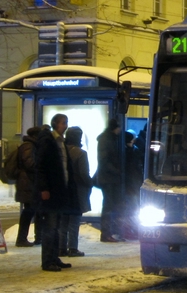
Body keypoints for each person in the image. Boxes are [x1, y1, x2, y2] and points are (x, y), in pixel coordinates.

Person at [34, 114, 77, 272]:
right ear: (55, 124)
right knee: (50, 227)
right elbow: (41, 166)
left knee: (56, 226)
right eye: (63, 123)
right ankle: (48, 260)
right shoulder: (49, 141)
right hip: (51, 191)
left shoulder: (60, 142)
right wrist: (44, 188)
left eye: (66, 122)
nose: (65, 126)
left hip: (59, 190)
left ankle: (54, 257)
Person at [59, 126, 92, 257]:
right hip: (77, 190)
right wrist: (90, 183)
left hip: (63, 190)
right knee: (74, 221)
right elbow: (84, 173)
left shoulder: (61, 150)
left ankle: (61, 248)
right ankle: (72, 248)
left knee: (63, 220)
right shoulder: (80, 153)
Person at [96, 118, 124, 242]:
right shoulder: (107, 140)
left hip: (110, 177)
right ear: (116, 127)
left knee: (111, 205)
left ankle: (109, 232)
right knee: (108, 206)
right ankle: (106, 233)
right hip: (108, 178)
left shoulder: (109, 138)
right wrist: (117, 171)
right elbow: (104, 161)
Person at [15, 126, 41, 247]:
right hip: (28, 184)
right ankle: (21, 238)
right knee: (29, 211)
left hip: (28, 183)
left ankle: (23, 238)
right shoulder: (28, 146)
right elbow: (29, 163)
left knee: (30, 210)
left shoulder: (30, 145)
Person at [122, 131, 144, 240]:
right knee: (131, 209)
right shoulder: (130, 152)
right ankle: (130, 230)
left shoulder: (131, 151)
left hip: (132, 185)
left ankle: (131, 230)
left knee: (132, 209)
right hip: (131, 186)